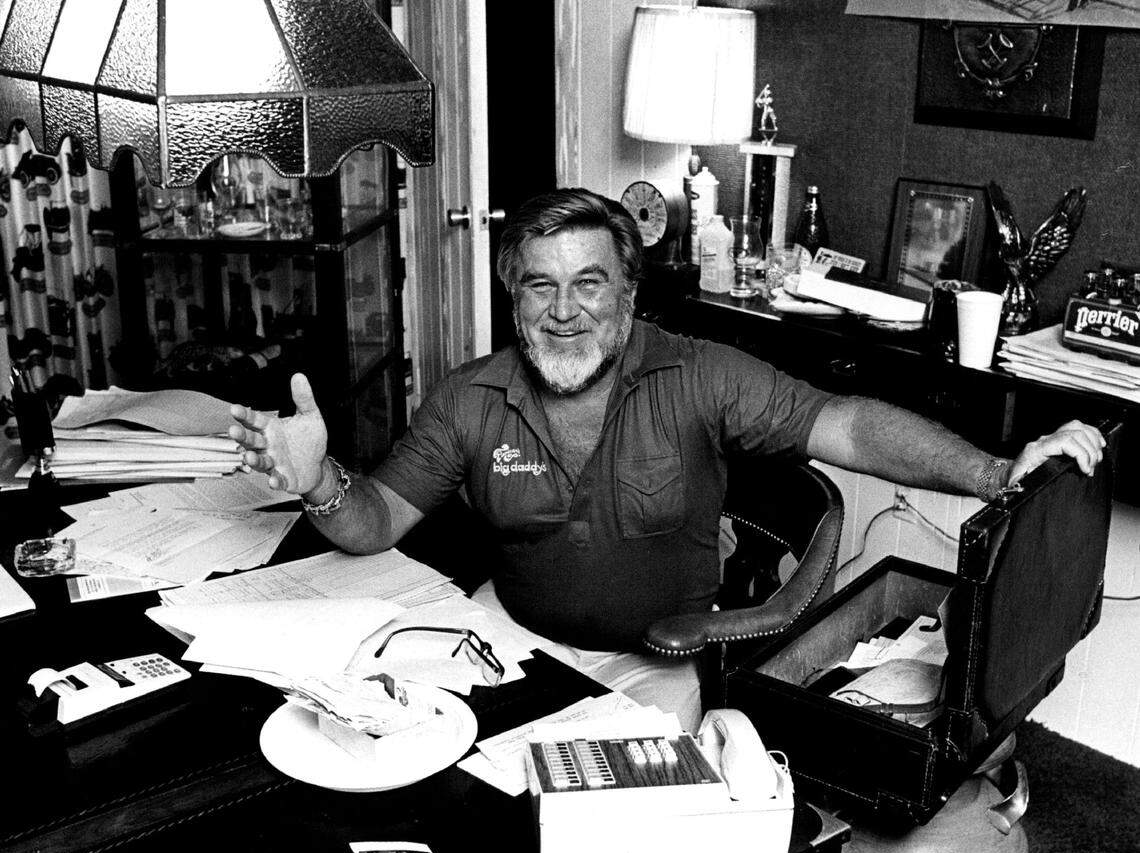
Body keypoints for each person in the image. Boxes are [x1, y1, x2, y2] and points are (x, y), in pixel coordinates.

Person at [229, 188, 1105, 732]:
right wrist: (317, 480)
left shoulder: (701, 375)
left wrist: (996, 472)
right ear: (514, 296)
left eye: (588, 283)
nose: (563, 311)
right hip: (508, 647)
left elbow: (847, 425)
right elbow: (374, 519)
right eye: (540, 285)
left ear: (629, 294)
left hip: (659, 663)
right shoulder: (470, 396)